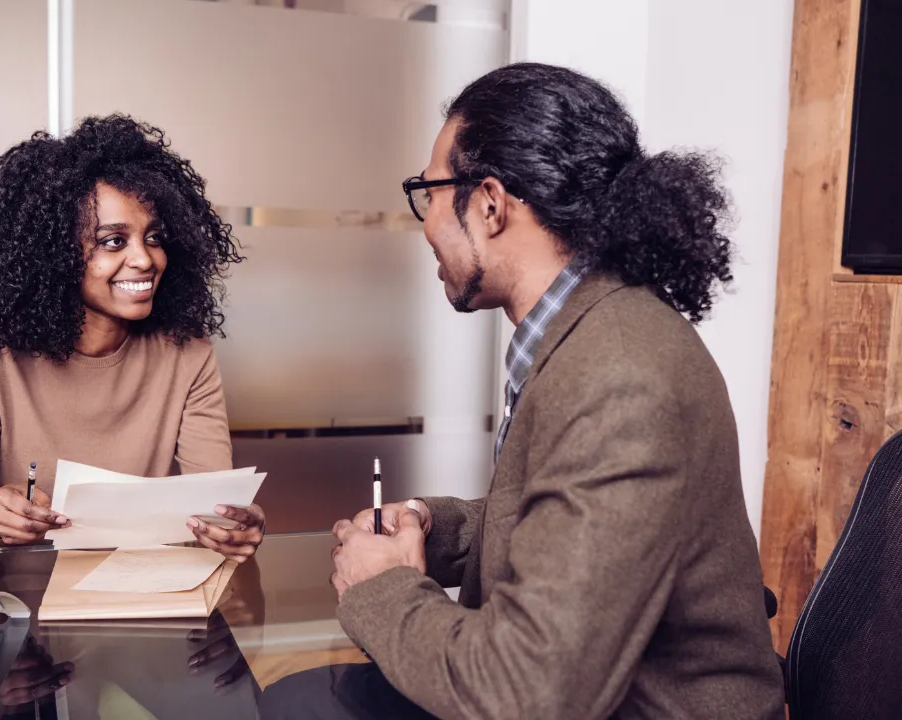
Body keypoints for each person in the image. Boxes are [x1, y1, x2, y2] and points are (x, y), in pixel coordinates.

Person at [263, 63, 786, 718]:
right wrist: (437, 528)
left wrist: (383, 585)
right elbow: (569, 516)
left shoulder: (620, 377)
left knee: (292, 706)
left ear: (489, 203)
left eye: (429, 195)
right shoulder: (587, 331)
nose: (426, 225)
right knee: (293, 697)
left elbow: (529, 693)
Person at [0, 115, 265, 563]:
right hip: (21, 603)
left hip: (146, 595)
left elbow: (215, 502)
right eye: (113, 241)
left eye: (154, 237)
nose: (144, 259)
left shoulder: (189, 352)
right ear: (53, 254)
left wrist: (234, 525)